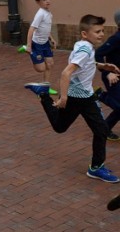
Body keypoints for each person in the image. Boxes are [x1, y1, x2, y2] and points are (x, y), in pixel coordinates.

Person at [24, 14, 120, 183]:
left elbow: (86, 64)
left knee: (96, 130)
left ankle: (96, 167)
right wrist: (63, 98)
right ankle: (43, 94)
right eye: (97, 31)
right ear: (85, 33)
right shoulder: (85, 49)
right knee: (76, 128)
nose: (101, 34)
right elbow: (66, 72)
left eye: (103, 31)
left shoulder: (85, 46)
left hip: (84, 96)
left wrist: (102, 66)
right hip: (77, 97)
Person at [23, 0, 57, 93]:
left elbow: (46, 28)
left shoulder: (48, 13)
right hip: (36, 44)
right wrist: (29, 45)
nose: (47, 1)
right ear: (38, 2)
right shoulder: (40, 14)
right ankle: (29, 51)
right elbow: (31, 29)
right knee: (41, 68)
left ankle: (45, 87)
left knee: (50, 64)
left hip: (45, 43)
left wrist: (51, 38)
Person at [95, 9, 120, 141]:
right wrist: (107, 72)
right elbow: (98, 54)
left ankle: (105, 128)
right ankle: (100, 95)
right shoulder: (116, 38)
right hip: (112, 78)